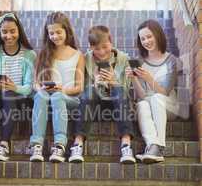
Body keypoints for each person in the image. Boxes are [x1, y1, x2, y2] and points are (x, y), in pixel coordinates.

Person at [69, 25, 136, 164]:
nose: (101, 52)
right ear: (91, 47)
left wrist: (113, 81)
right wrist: (95, 82)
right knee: (89, 91)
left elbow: (126, 89)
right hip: (92, 108)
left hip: (117, 108)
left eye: (105, 47)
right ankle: (78, 143)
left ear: (111, 42)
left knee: (118, 90)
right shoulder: (85, 58)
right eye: (96, 49)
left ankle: (126, 144)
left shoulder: (123, 59)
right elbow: (81, 90)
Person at [0, 12, 36, 161]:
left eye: (12, 31)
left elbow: (29, 88)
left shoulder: (29, 54)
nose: (8, 36)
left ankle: (3, 144)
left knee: (8, 93)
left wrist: (13, 87)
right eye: (4, 32)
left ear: (19, 31)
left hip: (20, 99)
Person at [29, 11, 85, 162]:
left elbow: (79, 87)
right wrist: (40, 88)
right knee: (40, 95)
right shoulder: (43, 54)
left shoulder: (78, 55)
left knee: (58, 96)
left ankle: (60, 145)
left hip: (69, 99)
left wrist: (62, 89)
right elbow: (35, 83)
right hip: (47, 97)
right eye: (51, 33)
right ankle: (36, 145)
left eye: (58, 32)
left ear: (67, 31)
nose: (55, 36)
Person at [126, 19, 179, 164]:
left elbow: (165, 91)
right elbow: (142, 96)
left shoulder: (171, 60)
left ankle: (159, 145)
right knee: (141, 104)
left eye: (149, 36)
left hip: (168, 105)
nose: (146, 41)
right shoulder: (140, 61)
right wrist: (134, 79)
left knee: (156, 98)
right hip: (149, 103)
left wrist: (148, 78)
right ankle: (152, 146)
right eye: (142, 38)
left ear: (158, 35)